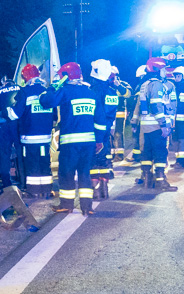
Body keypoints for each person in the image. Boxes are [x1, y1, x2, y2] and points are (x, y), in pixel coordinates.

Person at [39, 62, 106, 215]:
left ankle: (67, 205)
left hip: (70, 143)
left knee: (66, 173)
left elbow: (46, 102)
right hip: (89, 143)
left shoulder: (65, 91)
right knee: (84, 173)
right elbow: (101, 120)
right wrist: (100, 140)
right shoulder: (91, 93)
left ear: (65, 77)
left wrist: (52, 87)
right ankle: (87, 207)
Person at [137, 57, 177, 191]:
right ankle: (161, 181)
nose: (165, 71)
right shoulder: (157, 84)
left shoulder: (145, 84)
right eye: (164, 69)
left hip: (146, 125)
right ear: (157, 69)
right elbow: (156, 104)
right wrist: (164, 124)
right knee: (160, 152)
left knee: (147, 152)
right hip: (156, 125)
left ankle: (147, 179)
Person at [13, 63, 54, 197]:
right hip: (45, 136)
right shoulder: (47, 91)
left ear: (25, 77)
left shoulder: (24, 92)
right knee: (44, 162)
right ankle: (47, 191)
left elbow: (16, 114)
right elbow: (55, 116)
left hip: (29, 136)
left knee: (32, 164)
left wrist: (6, 112)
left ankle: (33, 192)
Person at [88, 59, 118, 198]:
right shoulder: (112, 92)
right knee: (104, 159)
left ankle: (95, 192)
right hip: (107, 129)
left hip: (95, 130)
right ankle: (104, 191)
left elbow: (95, 113)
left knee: (94, 160)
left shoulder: (93, 91)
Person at [0, 75, 21, 187]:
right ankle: (23, 179)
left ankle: (6, 182)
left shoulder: (0, 91)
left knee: (4, 154)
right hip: (18, 124)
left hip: (4, 124)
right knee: (20, 152)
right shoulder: (20, 89)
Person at [110, 65, 133, 165]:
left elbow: (128, 95)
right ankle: (111, 154)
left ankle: (119, 155)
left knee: (118, 133)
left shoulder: (123, 84)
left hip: (120, 112)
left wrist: (118, 85)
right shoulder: (106, 85)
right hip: (108, 113)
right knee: (108, 135)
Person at [126, 64, 148, 162]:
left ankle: (138, 156)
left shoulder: (141, 86)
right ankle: (137, 155)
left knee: (137, 136)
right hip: (140, 116)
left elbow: (136, 103)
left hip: (139, 116)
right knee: (137, 136)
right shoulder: (143, 86)